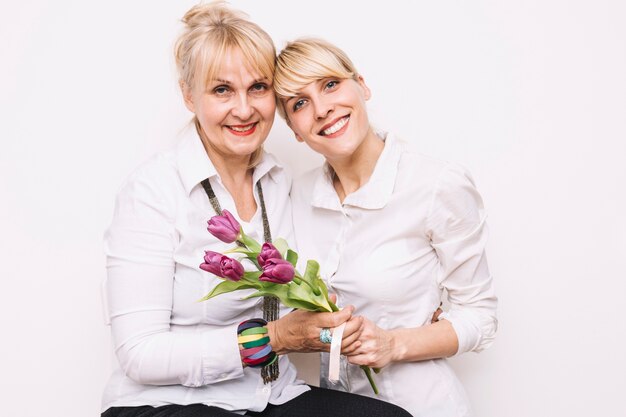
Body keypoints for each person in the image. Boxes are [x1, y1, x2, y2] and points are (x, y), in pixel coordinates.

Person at [100, 3, 412, 417]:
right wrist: (277, 337)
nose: (244, 109)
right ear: (189, 96)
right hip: (168, 404)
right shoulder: (152, 191)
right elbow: (140, 354)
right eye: (222, 90)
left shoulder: (281, 185)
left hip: (270, 396)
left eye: (258, 87)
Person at [274, 38, 498, 417]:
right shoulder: (295, 196)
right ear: (294, 129)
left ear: (362, 85)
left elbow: (481, 315)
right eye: (299, 103)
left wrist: (393, 344)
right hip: (333, 408)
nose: (322, 108)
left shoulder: (435, 184)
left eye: (330, 84)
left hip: (423, 406)